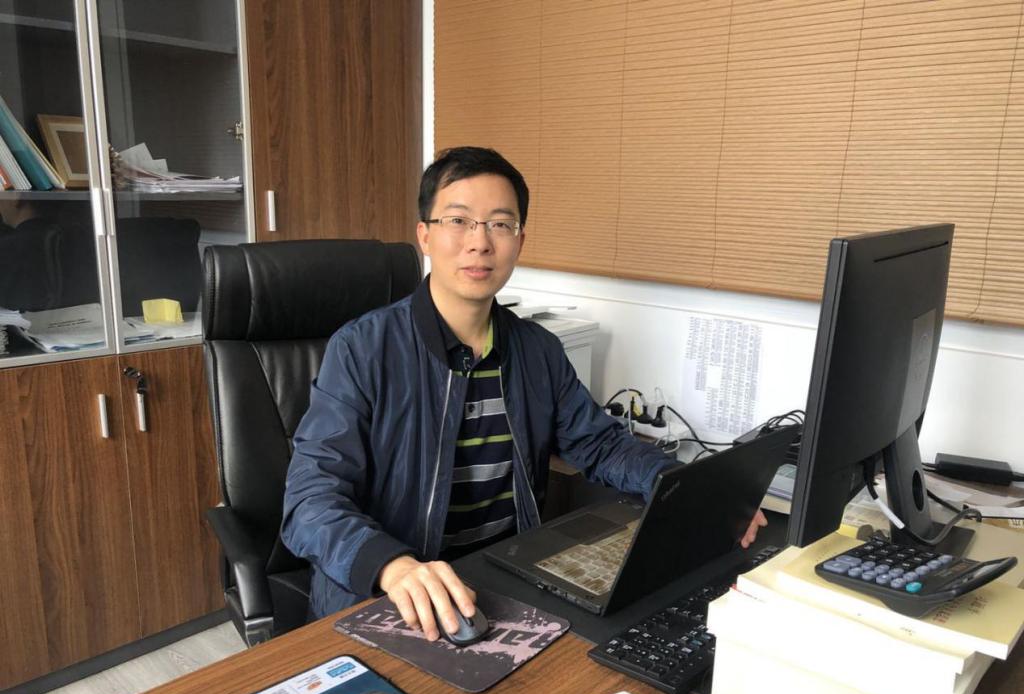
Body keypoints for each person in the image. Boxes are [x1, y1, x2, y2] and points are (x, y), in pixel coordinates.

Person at [282, 146, 766, 640]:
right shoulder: (363, 350)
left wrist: (687, 489)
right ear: (424, 235)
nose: (479, 243)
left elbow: (601, 445)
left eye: (500, 224)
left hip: (503, 588)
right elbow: (309, 500)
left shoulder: (537, 350)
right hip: (389, 598)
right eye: (459, 221)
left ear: (520, 240)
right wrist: (393, 565)